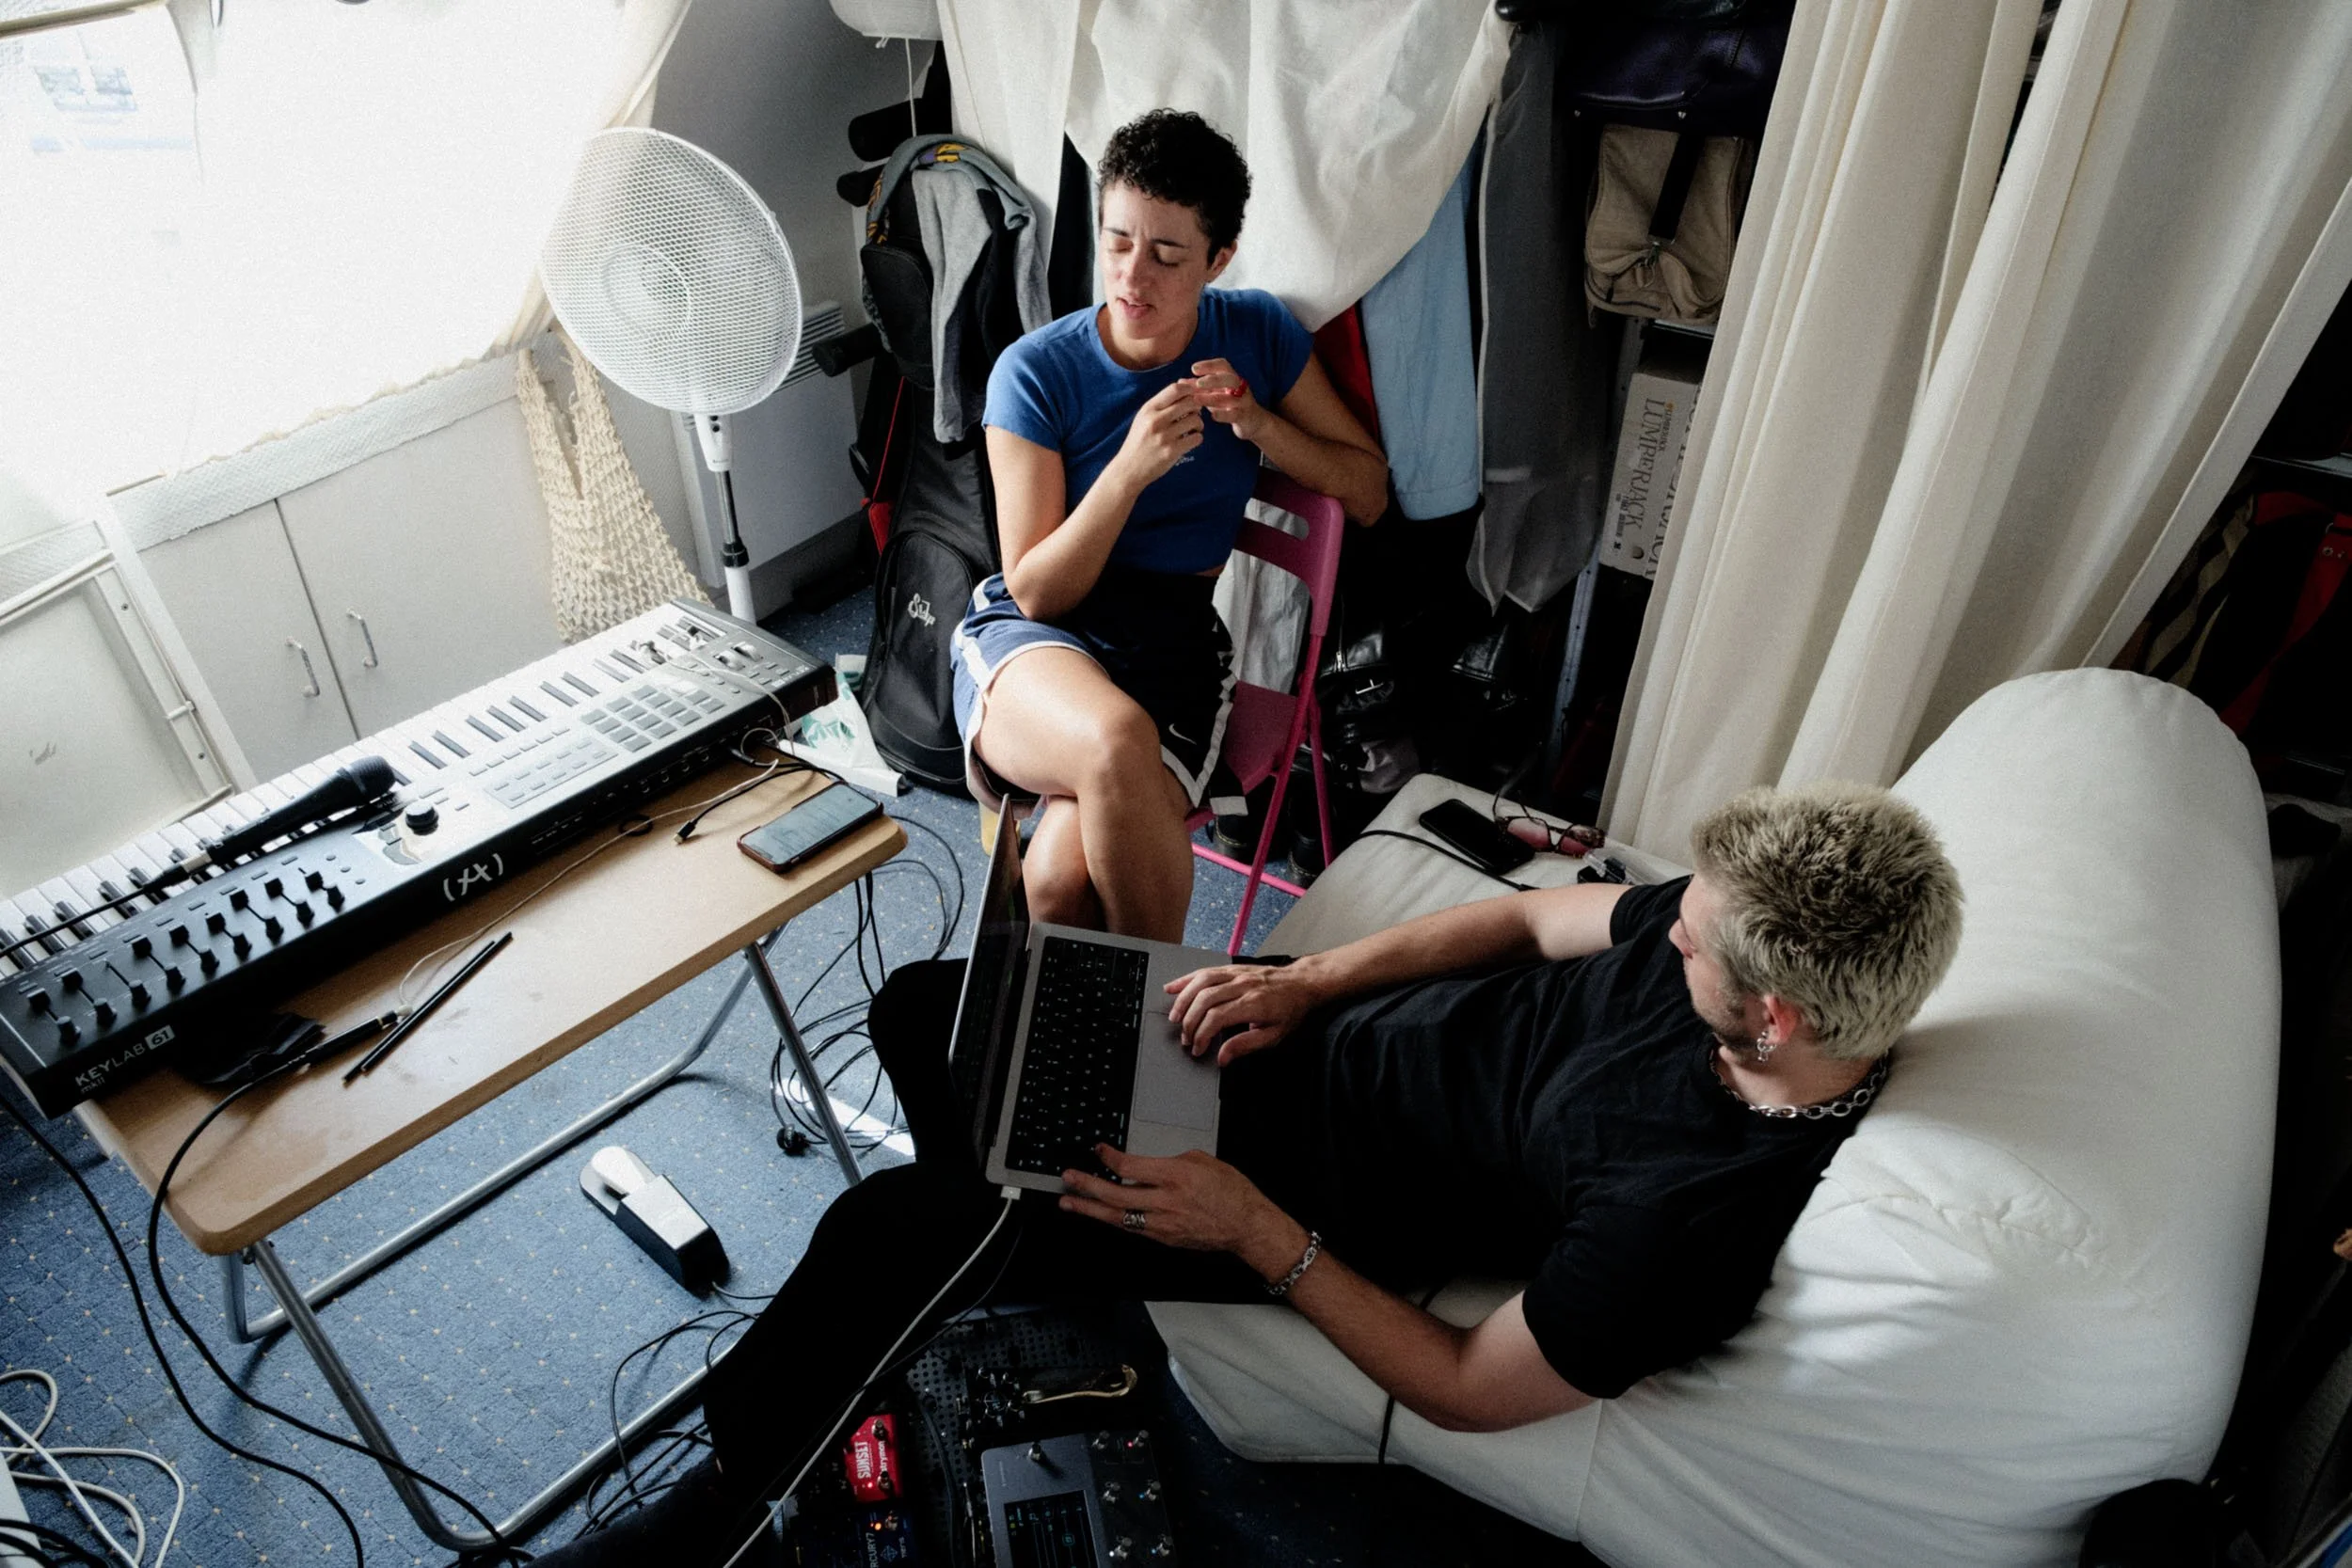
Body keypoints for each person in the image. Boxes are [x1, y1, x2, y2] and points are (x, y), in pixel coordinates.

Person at [523, 781, 1963, 1567]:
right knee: (925, 1005)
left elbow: (1465, 1380)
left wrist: (1251, 1229)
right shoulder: (1720, 948)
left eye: (1696, 946)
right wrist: (1311, 978)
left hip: (1285, 1184)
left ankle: (730, 1487)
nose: (1671, 937)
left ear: (1780, 1018)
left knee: (889, 1227)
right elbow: (1533, 930)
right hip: (1294, 1031)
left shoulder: (1689, 1222)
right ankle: (1017, 1260)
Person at [953, 109, 1388, 942]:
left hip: (1171, 643)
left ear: (1218, 259)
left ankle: (1080, 1055)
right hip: (1036, 642)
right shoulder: (1037, 372)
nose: (1131, 275)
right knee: (1114, 739)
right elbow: (1037, 592)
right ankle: (1155, 1022)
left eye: (1166, 254)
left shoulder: (1254, 331)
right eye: (1117, 241)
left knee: (1056, 879)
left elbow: (1366, 490)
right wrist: (1127, 472)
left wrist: (1261, 425)